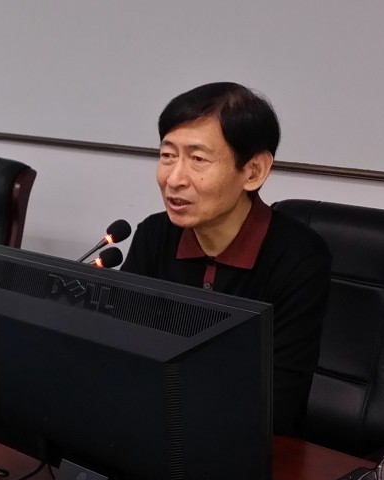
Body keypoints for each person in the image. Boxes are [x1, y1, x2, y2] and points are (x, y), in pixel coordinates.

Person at [121, 81, 331, 436]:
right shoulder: (155, 235)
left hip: (247, 445)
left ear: (253, 171)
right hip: (151, 430)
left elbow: (276, 403)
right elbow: (120, 353)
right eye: (167, 155)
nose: (174, 179)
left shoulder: (298, 258)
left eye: (198, 159)